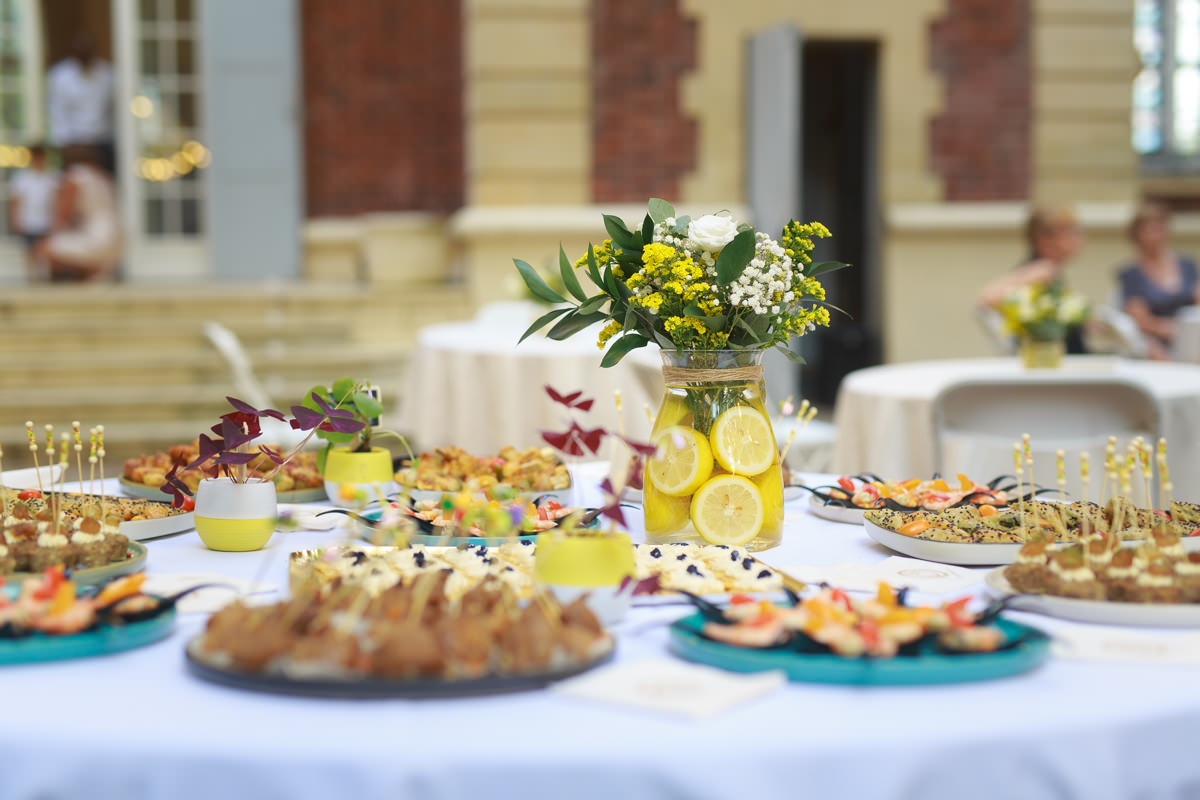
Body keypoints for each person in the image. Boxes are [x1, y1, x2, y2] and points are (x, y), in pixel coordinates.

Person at [978, 206, 1088, 353]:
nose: (1079, 239)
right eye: (1071, 233)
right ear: (1043, 239)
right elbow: (987, 298)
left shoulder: (1051, 270)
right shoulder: (1042, 271)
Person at [1117, 201, 1199, 360]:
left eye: (1158, 228)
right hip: (1157, 342)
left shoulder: (1188, 265)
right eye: (1147, 230)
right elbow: (1140, 320)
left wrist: (1187, 332)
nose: (1154, 235)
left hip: (1192, 337)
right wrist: (1172, 330)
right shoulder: (1131, 274)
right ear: (1136, 235)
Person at [35, 144, 121, 282]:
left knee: (44, 248)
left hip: (96, 238)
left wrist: (53, 233)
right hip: (116, 235)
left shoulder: (74, 177)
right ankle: (91, 275)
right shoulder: (101, 176)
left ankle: (51, 291)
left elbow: (62, 214)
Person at [46, 33, 115, 174]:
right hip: (73, 143)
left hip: (102, 141)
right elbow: (58, 112)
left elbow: (115, 111)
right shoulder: (61, 76)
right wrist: (65, 144)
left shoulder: (108, 74)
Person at [7, 143, 60, 281]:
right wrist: (15, 221)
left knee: (47, 252)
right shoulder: (22, 178)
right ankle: (32, 279)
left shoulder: (54, 177)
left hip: (48, 221)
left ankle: (47, 278)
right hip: (29, 222)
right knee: (30, 253)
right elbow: (14, 202)